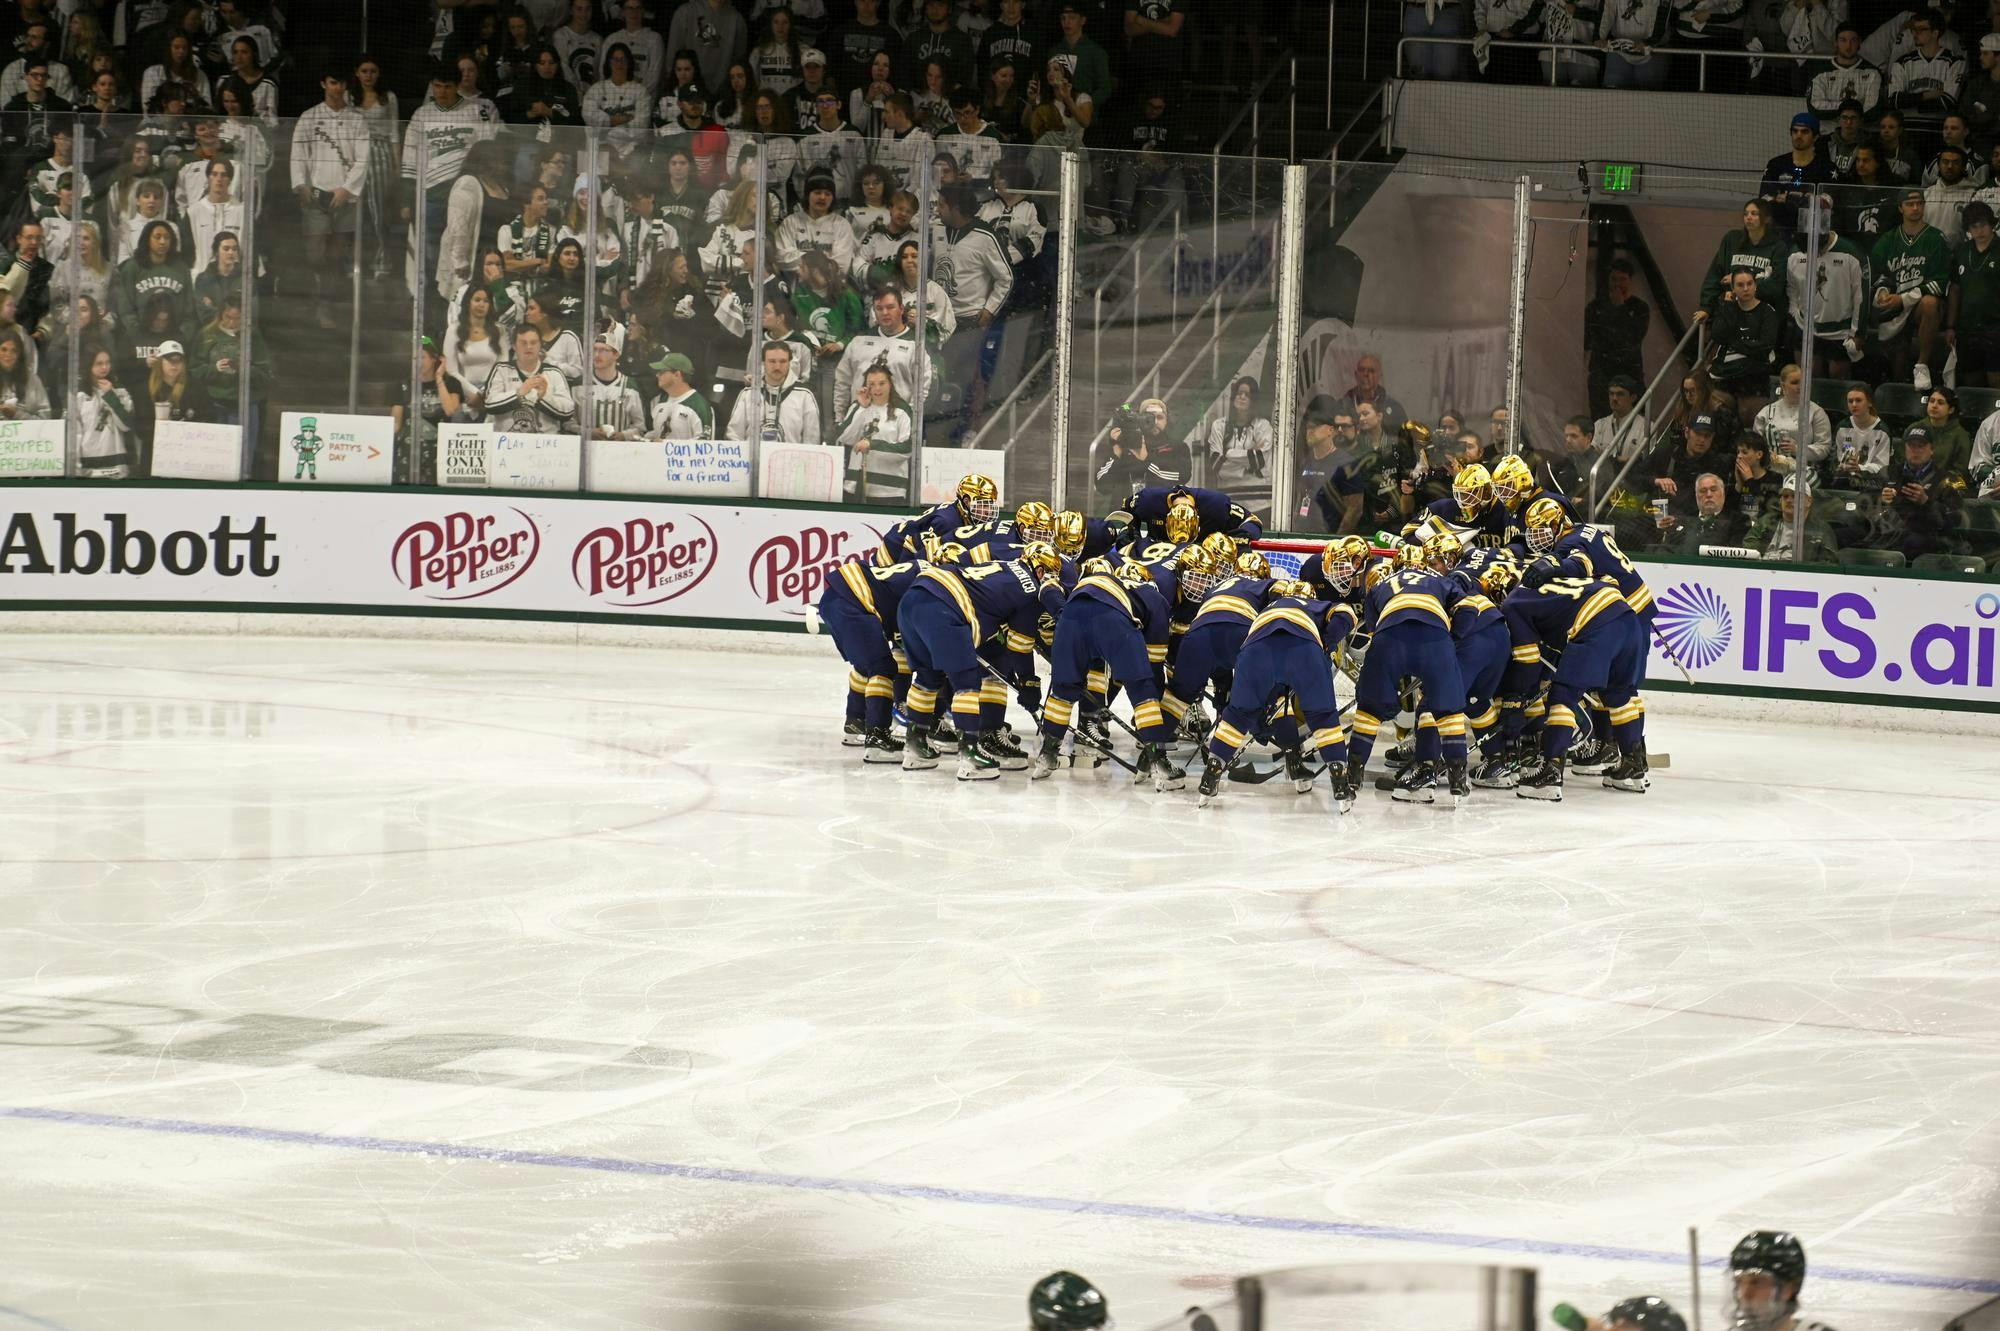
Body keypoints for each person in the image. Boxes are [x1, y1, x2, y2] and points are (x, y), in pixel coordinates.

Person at [895, 541, 1063, 777]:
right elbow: (1020, 646)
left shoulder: (1003, 565)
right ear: (1040, 570)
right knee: (967, 682)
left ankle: (915, 747)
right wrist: (1028, 681)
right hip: (944, 607)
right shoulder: (1032, 591)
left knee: (927, 676)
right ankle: (970, 756)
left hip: (913, 597)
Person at [402, 63, 492, 299]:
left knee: (461, 254)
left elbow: (486, 152)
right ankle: (430, 309)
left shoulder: (474, 112)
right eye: (437, 86)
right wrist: (406, 199)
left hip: (463, 195)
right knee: (431, 257)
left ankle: (458, 304)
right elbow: (410, 161)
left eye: (447, 87)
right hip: (431, 196)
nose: (442, 92)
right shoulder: (421, 115)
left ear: (458, 85)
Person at [290, 67, 369, 333]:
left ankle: (326, 305)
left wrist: (346, 190)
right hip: (316, 198)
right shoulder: (308, 117)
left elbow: (363, 159)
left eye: (341, 83)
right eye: (333, 82)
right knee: (315, 255)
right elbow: (298, 154)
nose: (337, 88)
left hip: (345, 199)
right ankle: (316, 294)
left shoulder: (357, 119)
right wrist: (301, 185)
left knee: (335, 257)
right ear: (323, 83)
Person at [1786, 197, 1867, 378]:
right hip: (1805, 327)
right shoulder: (1794, 253)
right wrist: (1794, 311)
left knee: (1837, 383)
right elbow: (1792, 287)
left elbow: (1861, 297)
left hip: (1840, 332)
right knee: (1806, 379)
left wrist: (1857, 332)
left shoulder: (1850, 254)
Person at [1695, 198, 1787, 318]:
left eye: (1754, 214)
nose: (1748, 217)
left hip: (1762, 315)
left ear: (1767, 219)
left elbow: (1775, 285)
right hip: (1731, 311)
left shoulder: (1778, 247)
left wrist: (1736, 281)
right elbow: (1715, 274)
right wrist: (1706, 307)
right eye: (1746, 214)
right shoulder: (1732, 239)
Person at [394, 336, 469, 480]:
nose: (417, 362)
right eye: (414, 358)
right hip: (409, 451)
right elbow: (396, 424)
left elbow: (450, 410)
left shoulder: (451, 383)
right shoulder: (404, 385)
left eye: (422, 357)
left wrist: (439, 378)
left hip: (439, 450)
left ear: (435, 359)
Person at [839, 359, 914, 498]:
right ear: (865, 386)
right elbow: (844, 438)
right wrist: (862, 407)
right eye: (871, 384)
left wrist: (872, 445)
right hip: (854, 486)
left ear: (890, 383)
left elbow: (908, 448)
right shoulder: (858, 407)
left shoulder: (902, 410)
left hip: (889, 490)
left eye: (882, 383)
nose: (877, 388)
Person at [483, 323, 577, 432]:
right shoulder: (501, 370)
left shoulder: (554, 373)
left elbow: (568, 412)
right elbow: (489, 404)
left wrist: (543, 397)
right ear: (514, 346)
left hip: (546, 444)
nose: (529, 347)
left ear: (540, 345)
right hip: (507, 443)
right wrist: (519, 393)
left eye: (533, 343)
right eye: (523, 343)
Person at [1584, 259, 1648, 419]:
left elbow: (1632, 338)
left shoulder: (1640, 308)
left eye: (1622, 279)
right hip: (1602, 374)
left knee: (1634, 420)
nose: (1618, 284)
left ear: (1630, 281)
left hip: (1630, 372)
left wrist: (1620, 308)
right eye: (1614, 279)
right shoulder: (1595, 307)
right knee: (1601, 420)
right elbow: (1592, 339)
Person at [1949, 200, 2000, 387]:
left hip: (1996, 326)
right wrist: (1950, 325)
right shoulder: (1962, 251)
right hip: (1967, 326)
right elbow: (1955, 289)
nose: (1979, 231)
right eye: (1974, 226)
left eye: (1984, 225)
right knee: (1970, 377)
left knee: (1996, 377)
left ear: (1992, 224)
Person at [727, 340, 821, 441]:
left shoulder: (804, 395)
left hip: (791, 456)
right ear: (763, 363)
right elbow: (734, 435)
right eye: (772, 361)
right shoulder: (748, 393)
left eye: (783, 361)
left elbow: (812, 440)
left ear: (790, 363)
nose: (777, 367)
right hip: (753, 457)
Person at [71, 345, 137, 478]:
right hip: (88, 462)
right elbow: (75, 433)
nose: (104, 367)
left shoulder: (120, 392)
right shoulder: (79, 395)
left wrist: (110, 395)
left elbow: (126, 425)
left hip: (116, 462)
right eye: (99, 363)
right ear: (89, 365)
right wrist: (75, 464)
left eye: (107, 363)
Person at [1095, 396, 1183, 494]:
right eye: (1149, 418)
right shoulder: (1124, 443)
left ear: (1167, 421)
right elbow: (1101, 487)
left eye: (1160, 417)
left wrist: (1146, 460)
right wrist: (1116, 454)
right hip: (1125, 507)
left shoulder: (1178, 447)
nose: (1155, 422)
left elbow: (1179, 479)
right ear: (1139, 419)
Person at [667, 0, 751, 92]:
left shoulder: (737, 20)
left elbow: (738, 62)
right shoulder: (685, 13)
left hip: (723, 93)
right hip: (688, 93)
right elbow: (673, 58)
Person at [1887, 9, 1962, 111]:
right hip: (1909, 125)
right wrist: (1928, 95)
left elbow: (1947, 103)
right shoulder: (1902, 62)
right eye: (1913, 29)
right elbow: (1894, 101)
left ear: (1935, 33)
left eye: (1920, 29)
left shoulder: (1954, 62)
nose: (1914, 33)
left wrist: (1910, 101)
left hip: (1940, 125)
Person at [1657, 470, 1747, 551]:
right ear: (1696, 496)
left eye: (1713, 489)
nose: (1708, 494)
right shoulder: (1682, 520)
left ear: (1723, 493)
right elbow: (1665, 552)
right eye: (1703, 491)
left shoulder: (1738, 521)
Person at [582, 333, 647, 440]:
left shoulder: (630, 387)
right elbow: (568, 424)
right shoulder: (580, 384)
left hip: (620, 453)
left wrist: (624, 435)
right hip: (586, 451)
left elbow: (640, 427)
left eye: (603, 350)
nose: (597, 355)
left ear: (616, 355)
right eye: (594, 349)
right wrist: (587, 432)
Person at [1205, 376, 1273, 478]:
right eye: (1239, 393)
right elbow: (1216, 464)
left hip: (1257, 489)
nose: (1242, 397)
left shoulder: (1263, 426)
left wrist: (1226, 453)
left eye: (1248, 395)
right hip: (1226, 490)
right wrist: (1250, 457)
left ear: (1254, 400)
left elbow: (1261, 461)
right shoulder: (1219, 425)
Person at [1809, 32, 1884, 116]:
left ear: (1859, 42)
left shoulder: (1872, 72)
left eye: (1853, 40)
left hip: (1862, 127)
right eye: (1843, 40)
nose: (1848, 46)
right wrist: (1849, 107)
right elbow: (1815, 106)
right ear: (1836, 42)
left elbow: (1873, 108)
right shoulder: (1821, 72)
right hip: (1828, 128)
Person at [645, 349, 713, 439]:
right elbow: (656, 433)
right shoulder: (661, 401)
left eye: (661, 371)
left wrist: (668, 446)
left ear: (677, 375)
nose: (657, 375)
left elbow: (704, 444)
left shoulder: (699, 405)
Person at [1336, 352, 1406, 427]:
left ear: (1379, 375)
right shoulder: (1342, 407)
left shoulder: (1393, 407)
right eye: (1362, 370)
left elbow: (1405, 436)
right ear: (1356, 374)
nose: (1366, 374)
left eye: (1371, 370)